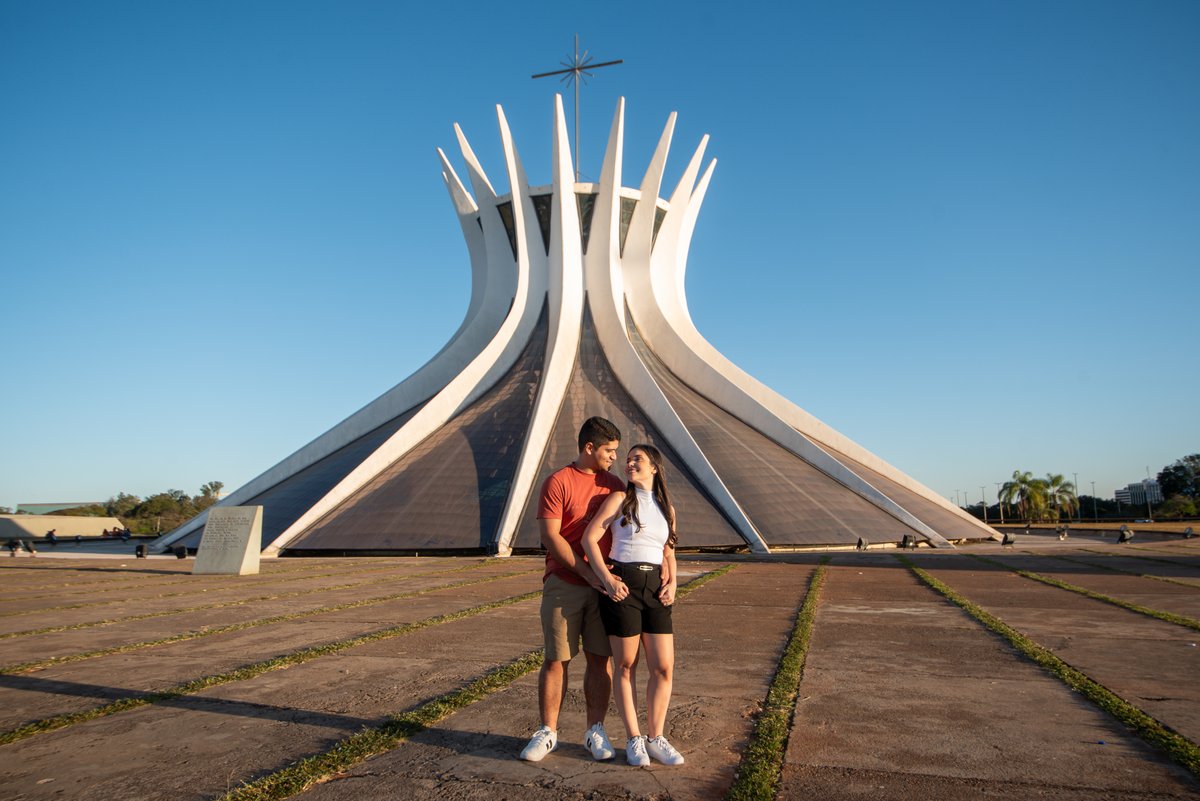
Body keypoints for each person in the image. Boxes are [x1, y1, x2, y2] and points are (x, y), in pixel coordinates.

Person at [519, 416, 626, 763]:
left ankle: (595, 729)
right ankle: (547, 731)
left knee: (600, 659)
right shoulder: (558, 482)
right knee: (556, 658)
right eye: (609, 450)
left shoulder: (615, 485)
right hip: (565, 583)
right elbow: (551, 537)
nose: (613, 457)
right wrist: (587, 572)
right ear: (589, 447)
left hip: (602, 586)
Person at [583, 444, 684, 767]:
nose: (629, 463)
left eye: (637, 459)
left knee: (663, 667)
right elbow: (589, 539)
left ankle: (656, 737)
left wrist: (673, 582)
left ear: (654, 467)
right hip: (623, 584)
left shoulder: (666, 507)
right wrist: (607, 580)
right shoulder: (619, 500)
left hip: (655, 588)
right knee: (626, 665)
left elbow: (669, 553)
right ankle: (634, 738)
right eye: (627, 460)